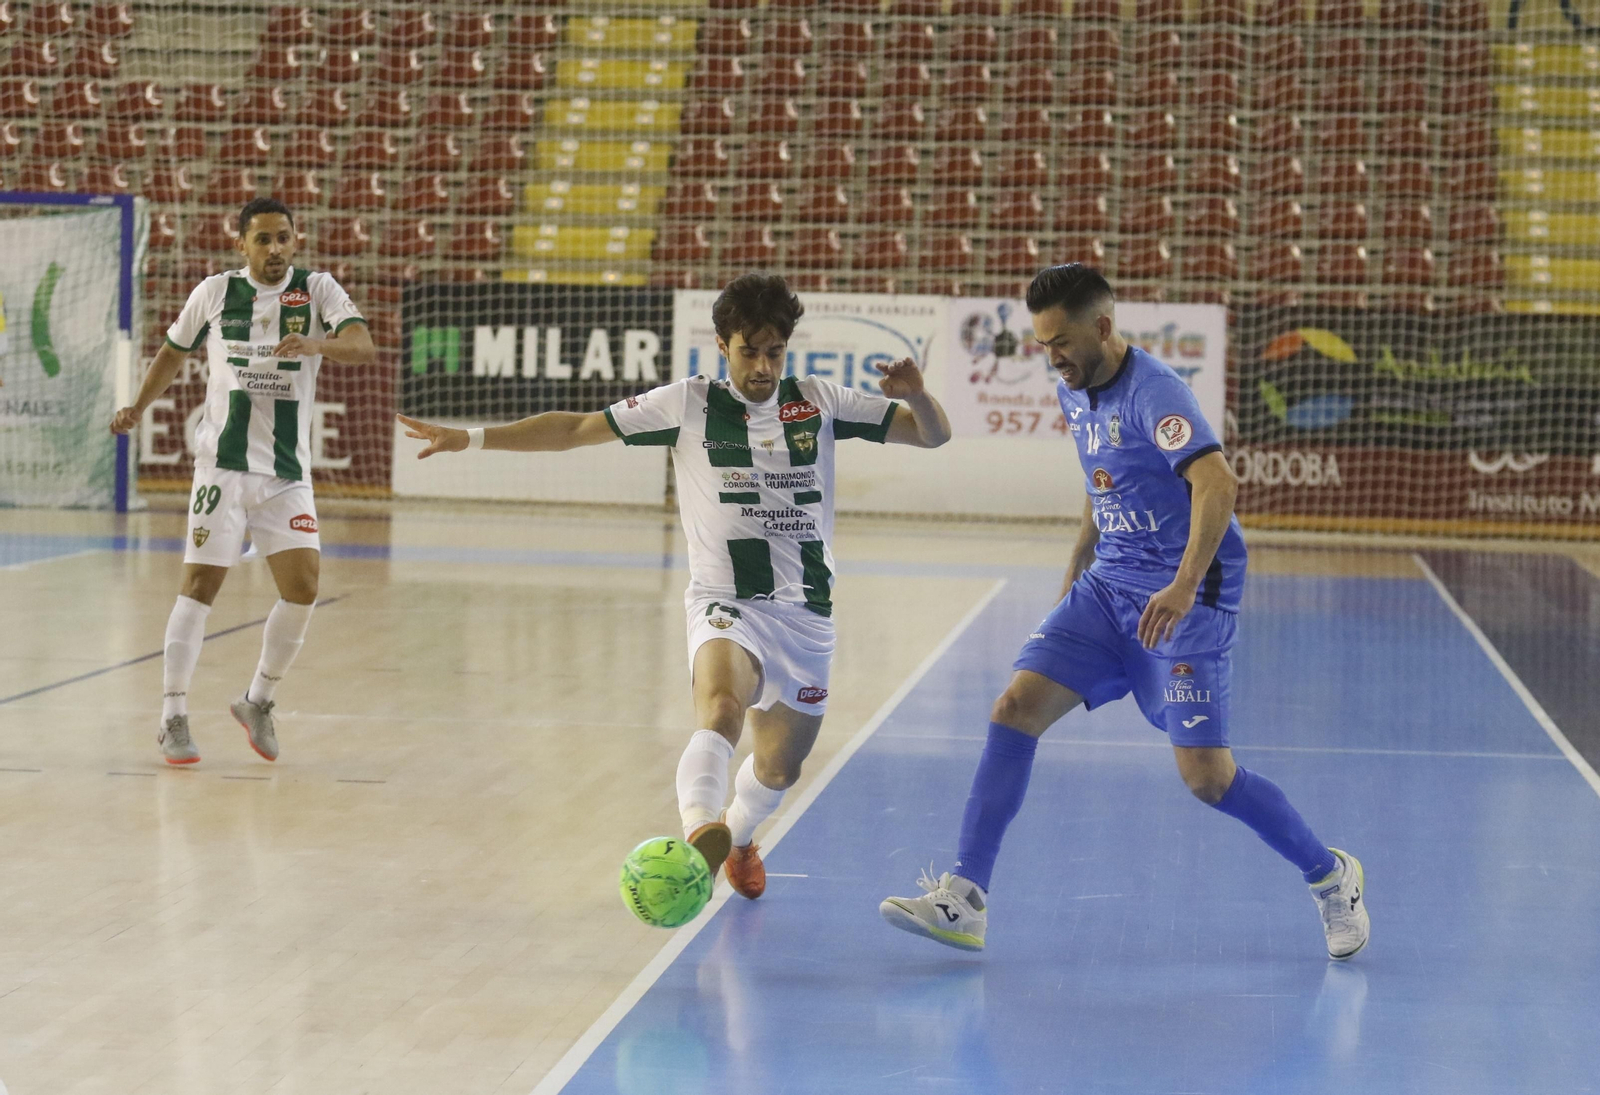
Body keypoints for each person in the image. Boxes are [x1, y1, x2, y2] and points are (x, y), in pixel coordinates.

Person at [398, 273, 951, 897]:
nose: (764, 367)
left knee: (778, 768)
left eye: (775, 352)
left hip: (806, 616)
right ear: (723, 345)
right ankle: (698, 836)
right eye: (750, 351)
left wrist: (920, 397)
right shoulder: (688, 403)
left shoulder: (819, 400)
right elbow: (576, 429)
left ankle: (739, 836)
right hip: (725, 602)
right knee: (720, 709)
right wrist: (468, 437)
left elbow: (931, 434)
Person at [880, 264, 1368, 960]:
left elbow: (1218, 481)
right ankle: (965, 897)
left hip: (1186, 600)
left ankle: (1331, 876)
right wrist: (1076, 567)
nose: (1051, 356)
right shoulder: (1073, 389)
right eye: (1043, 344)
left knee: (1208, 780)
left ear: (1103, 327)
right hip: (1108, 588)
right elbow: (1100, 480)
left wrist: (1183, 581)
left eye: (1061, 341)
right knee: (1014, 706)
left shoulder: (1156, 392)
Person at [110, 197, 375, 765]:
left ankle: (258, 700)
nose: (274, 248)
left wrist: (316, 344)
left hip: (286, 472)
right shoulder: (213, 291)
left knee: (302, 588)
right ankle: (172, 716)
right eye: (263, 239)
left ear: (295, 240)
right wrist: (136, 405)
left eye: (283, 237)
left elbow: (362, 345)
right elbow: (172, 353)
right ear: (242, 245)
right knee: (200, 587)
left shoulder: (318, 289)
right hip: (223, 466)